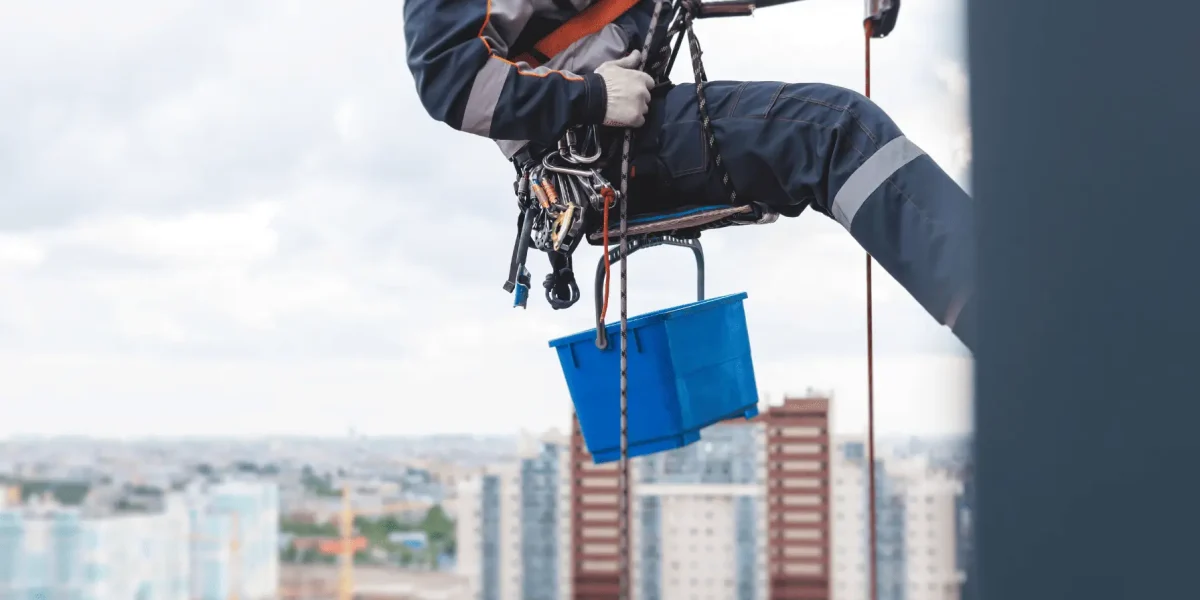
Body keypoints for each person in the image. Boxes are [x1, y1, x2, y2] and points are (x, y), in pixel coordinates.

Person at [402, 0, 977, 352]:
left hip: (614, 123)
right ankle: (1001, 312)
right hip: (584, 144)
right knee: (833, 134)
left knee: (832, 133)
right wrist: (592, 99)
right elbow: (449, 77)